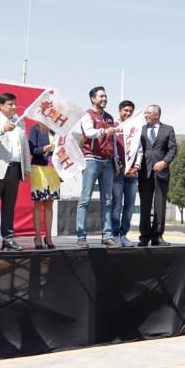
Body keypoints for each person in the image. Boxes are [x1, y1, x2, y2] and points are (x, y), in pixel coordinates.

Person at [0, 92, 30, 252]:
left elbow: (24, 146)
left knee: (9, 206)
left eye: (15, 104)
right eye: (10, 104)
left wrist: (26, 168)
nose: (14, 107)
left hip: (15, 168)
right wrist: (3, 128)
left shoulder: (19, 123)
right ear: (1, 106)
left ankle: (8, 239)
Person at [77, 86, 118, 248]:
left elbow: (113, 140)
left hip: (107, 162)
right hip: (91, 160)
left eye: (106, 96)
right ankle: (81, 236)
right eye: (101, 96)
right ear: (93, 99)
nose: (104, 99)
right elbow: (88, 133)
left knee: (107, 200)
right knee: (85, 199)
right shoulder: (87, 115)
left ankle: (107, 236)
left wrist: (115, 160)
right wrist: (104, 131)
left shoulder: (109, 117)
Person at [137, 104, 177, 247]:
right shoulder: (140, 130)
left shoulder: (168, 129)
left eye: (148, 113)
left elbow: (173, 150)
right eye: (145, 113)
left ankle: (157, 235)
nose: (146, 115)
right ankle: (144, 236)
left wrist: (164, 163)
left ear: (157, 115)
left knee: (159, 205)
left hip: (161, 172)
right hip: (144, 172)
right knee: (145, 205)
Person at [110, 100, 140, 247]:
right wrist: (121, 167)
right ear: (120, 111)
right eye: (125, 110)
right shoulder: (114, 127)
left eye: (130, 111)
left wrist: (136, 167)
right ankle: (114, 234)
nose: (127, 113)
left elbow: (139, 150)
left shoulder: (135, 127)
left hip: (133, 174)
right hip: (117, 173)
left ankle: (124, 234)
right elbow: (113, 149)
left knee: (129, 205)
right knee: (116, 205)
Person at [27, 120, 60, 249]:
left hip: (53, 169)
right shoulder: (36, 128)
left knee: (50, 203)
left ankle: (49, 236)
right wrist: (43, 149)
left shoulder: (57, 130)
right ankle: (37, 236)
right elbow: (32, 149)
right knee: (39, 201)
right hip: (39, 168)